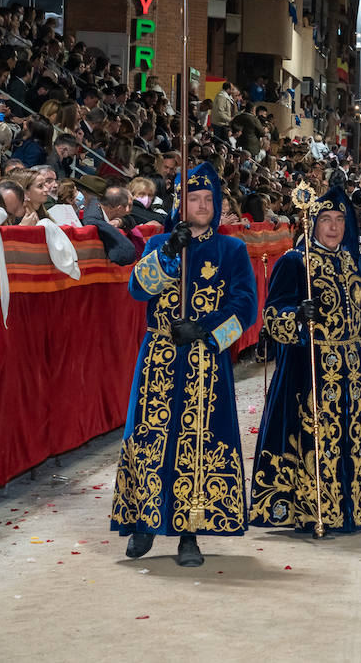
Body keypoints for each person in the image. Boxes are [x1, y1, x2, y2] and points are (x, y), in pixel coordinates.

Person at [110, 163, 258, 566]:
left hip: (205, 360)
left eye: (209, 199)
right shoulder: (160, 243)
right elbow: (138, 290)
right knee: (150, 438)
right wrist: (171, 253)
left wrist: (208, 331)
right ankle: (143, 521)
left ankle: (190, 532)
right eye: (195, 199)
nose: (203, 205)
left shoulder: (232, 249)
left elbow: (246, 308)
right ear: (181, 203)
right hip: (158, 355)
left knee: (199, 441)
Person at [249, 184, 361, 535]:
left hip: (351, 367)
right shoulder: (294, 263)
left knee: (353, 438)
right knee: (314, 440)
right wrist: (298, 315)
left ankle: (350, 510)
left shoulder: (353, 262)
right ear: (312, 223)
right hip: (308, 367)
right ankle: (310, 510)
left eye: (340, 220)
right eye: (326, 219)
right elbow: (272, 315)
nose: (334, 227)